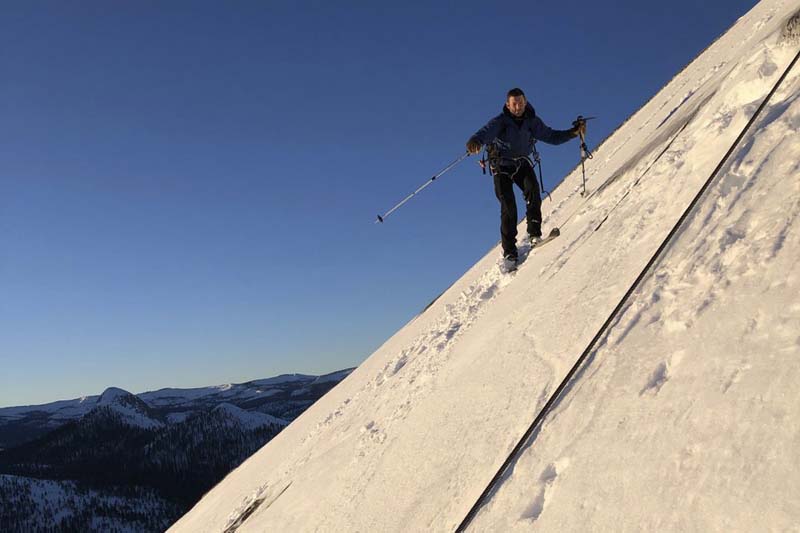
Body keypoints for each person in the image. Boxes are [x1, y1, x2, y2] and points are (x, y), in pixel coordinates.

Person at [466, 88, 585, 266]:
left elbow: (551, 136)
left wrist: (573, 133)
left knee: (533, 192)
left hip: (521, 163)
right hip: (501, 166)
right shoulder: (501, 122)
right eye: (514, 103)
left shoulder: (532, 122)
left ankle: (534, 235)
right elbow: (484, 133)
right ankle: (509, 253)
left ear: (525, 101)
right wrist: (474, 141)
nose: (518, 106)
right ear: (508, 104)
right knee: (508, 207)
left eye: (520, 102)